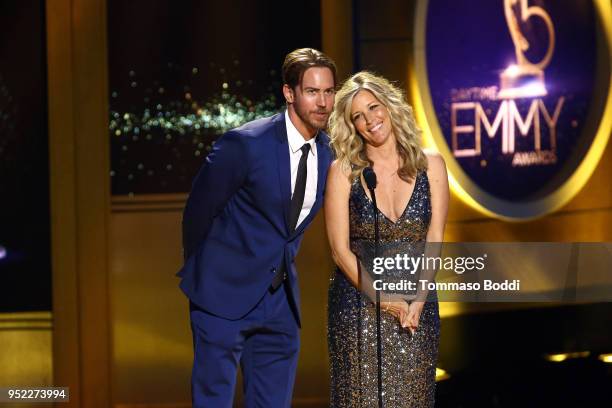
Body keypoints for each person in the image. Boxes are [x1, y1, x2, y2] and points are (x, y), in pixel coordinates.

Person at [177, 48, 336, 407]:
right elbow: (198, 211)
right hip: (221, 297)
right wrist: (207, 274)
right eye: (313, 91)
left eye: (329, 91)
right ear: (289, 93)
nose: (323, 102)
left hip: (280, 304)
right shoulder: (246, 143)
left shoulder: (330, 154)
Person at [325, 71, 449, 407]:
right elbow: (339, 250)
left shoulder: (431, 164)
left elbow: (435, 237)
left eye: (373, 108)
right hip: (358, 309)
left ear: (390, 106)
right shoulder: (343, 172)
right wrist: (383, 299)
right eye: (358, 117)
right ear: (352, 126)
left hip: (416, 308)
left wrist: (418, 299)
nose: (369, 120)